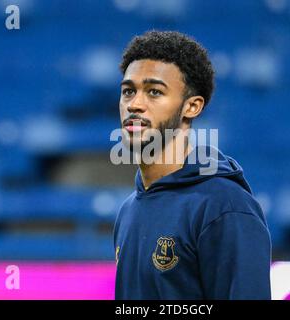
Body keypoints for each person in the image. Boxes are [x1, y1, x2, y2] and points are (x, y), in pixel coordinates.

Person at [113, 30, 271, 299]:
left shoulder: (226, 207)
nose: (135, 104)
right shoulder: (129, 210)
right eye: (129, 91)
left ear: (192, 107)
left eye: (154, 92)